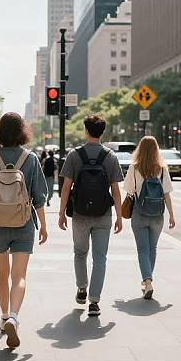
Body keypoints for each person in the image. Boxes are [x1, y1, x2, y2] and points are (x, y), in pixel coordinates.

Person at [0, 112, 48, 348]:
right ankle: (15, 316)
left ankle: (4, 315)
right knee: (20, 275)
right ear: (22, 132)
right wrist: (43, 224)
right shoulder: (31, 159)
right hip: (23, 222)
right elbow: (39, 197)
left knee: (1, 273)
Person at [58, 114, 123, 317]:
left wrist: (61, 213)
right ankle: (94, 302)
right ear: (102, 132)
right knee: (100, 258)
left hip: (80, 213)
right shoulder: (110, 156)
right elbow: (116, 189)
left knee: (80, 253)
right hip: (104, 214)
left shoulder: (74, 155)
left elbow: (66, 187)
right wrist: (119, 216)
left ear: (86, 131)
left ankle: (81, 288)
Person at [123, 136, 176, 299]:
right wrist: (172, 216)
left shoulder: (134, 168)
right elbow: (167, 194)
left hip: (140, 213)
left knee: (142, 249)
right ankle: (147, 282)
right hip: (158, 214)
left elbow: (129, 191)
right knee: (152, 248)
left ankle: (147, 281)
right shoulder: (162, 169)